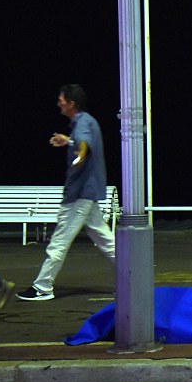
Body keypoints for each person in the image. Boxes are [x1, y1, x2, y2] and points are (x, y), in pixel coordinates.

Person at [17, 85, 116, 301]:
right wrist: (69, 142)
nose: (58, 103)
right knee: (108, 242)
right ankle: (133, 279)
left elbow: (84, 147)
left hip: (79, 194)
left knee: (59, 242)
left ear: (71, 103)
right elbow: (82, 143)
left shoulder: (82, 123)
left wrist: (78, 156)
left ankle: (42, 287)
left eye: (61, 99)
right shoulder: (87, 121)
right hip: (88, 193)